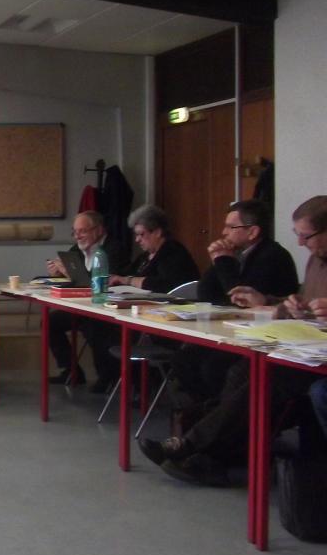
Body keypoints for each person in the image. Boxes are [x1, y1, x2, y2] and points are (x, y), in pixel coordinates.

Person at [140, 195, 327, 486]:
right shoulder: (316, 260)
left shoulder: (273, 256)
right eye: (297, 234)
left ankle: (193, 445)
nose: (301, 243)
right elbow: (213, 292)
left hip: (314, 360)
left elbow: (232, 292)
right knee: (239, 370)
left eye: (307, 236)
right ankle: (213, 455)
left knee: (261, 378)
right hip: (303, 347)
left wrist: (226, 265)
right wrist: (288, 304)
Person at [170, 200, 301, 402]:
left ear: (253, 232)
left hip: (266, 336)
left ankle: (213, 414)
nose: (224, 233)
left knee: (212, 367)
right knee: (183, 358)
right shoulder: (238, 254)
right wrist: (218, 261)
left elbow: (238, 297)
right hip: (236, 329)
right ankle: (206, 412)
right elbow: (206, 293)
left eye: (231, 227)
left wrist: (223, 261)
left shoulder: (272, 256)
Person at [44, 210, 128, 392]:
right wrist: (57, 272)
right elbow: (74, 277)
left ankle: (107, 377)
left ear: (99, 230)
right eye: (75, 232)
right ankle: (71, 370)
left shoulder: (114, 249)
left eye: (83, 231)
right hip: (83, 306)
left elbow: (101, 281)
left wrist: (68, 273)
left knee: (94, 327)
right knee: (50, 321)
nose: (78, 236)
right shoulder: (77, 249)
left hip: (108, 308)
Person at [109, 204, 200, 293]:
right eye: (136, 235)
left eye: (141, 234)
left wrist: (128, 280)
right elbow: (124, 274)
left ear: (157, 232)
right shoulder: (145, 256)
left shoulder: (173, 252)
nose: (137, 240)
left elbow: (164, 285)